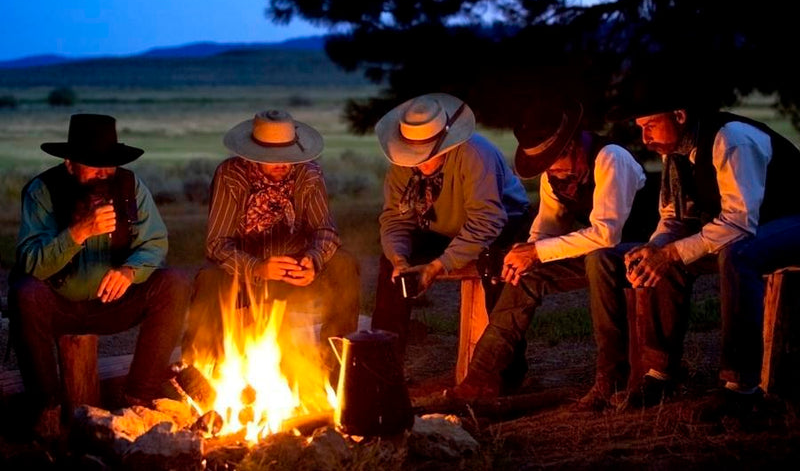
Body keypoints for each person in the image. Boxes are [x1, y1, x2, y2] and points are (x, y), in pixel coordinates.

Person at [589, 76, 800, 413]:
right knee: (660, 258)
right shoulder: (677, 153)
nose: (646, 137)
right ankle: (660, 373)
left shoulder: (731, 140)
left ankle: (741, 387)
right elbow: (673, 218)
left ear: (680, 116)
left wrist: (670, 253)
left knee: (738, 254)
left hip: (789, 220)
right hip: (749, 226)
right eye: (641, 128)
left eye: (651, 125)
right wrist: (656, 250)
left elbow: (739, 222)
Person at [450, 97, 659, 402]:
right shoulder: (555, 176)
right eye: (544, 165)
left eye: (554, 161)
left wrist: (537, 252)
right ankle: (481, 378)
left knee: (597, 260)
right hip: (597, 255)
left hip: (643, 249)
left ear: (571, 145)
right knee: (527, 275)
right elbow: (548, 227)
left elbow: (606, 235)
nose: (552, 172)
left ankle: (610, 380)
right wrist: (528, 253)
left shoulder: (610, 158)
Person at [8, 113, 191, 436]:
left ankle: (138, 399)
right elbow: (31, 263)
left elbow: (155, 243)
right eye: (93, 164)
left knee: (174, 282)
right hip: (58, 306)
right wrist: (77, 234)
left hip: (114, 306)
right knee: (25, 291)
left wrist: (130, 270)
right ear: (70, 163)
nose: (103, 173)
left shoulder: (130, 187)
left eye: (109, 164)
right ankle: (47, 409)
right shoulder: (42, 191)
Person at [181, 110, 360, 379]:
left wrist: (312, 260)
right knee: (209, 277)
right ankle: (199, 371)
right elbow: (217, 244)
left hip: (294, 272)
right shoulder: (231, 175)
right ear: (253, 154)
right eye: (273, 158)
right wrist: (257, 268)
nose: (282, 164)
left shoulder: (308, 174)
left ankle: (337, 367)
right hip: (245, 271)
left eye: (288, 156)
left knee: (344, 263)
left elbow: (326, 230)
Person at [371, 92, 532, 381]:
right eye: (413, 153)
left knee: (496, 266)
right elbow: (396, 219)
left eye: (426, 153)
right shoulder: (403, 164)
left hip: (503, 224)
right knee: (391, 271)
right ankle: (383, 367)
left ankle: (505, 372)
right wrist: (399, 259)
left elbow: (487, 222)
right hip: (442, 227)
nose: (418, 161)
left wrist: (436, 266)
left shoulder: (474, 155)